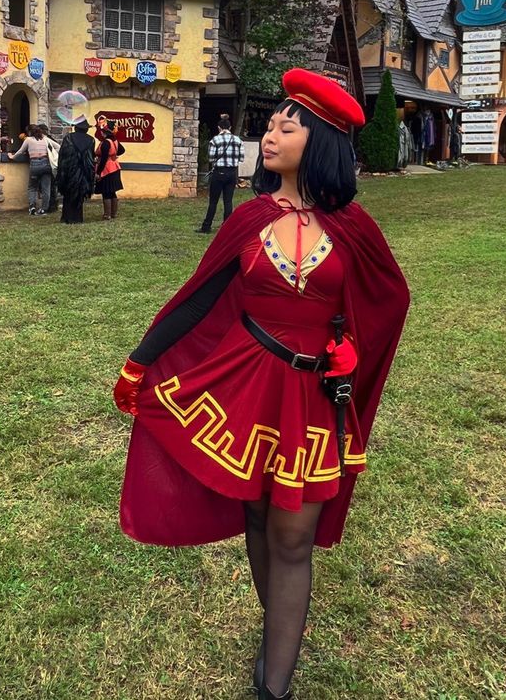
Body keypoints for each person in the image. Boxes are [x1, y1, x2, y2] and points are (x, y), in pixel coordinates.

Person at [113, 69, 410, 699]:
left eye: (286, 125)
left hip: (310, 396)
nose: (269, 134)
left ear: (320, 140)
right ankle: (278, 627)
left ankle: (274, 685)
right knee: (257, 512)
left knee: (293, 532)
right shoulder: (248, 219)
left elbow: (390, 298)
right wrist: (140, 362)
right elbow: (197, 298)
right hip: (244, 383)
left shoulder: (354, 226)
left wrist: (351, 347)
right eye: (270, 124)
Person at [196, 115, 245, 233]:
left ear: (219, 128)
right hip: (232, 173)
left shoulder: (215, 140)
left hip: (218, 173)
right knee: (228, 201)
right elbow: (241, 158)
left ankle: (206, 226)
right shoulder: (238, 140)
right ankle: (227, 228)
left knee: (213, 201)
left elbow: (211, 158)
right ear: (230, 127)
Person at [8, 124, 60, 215]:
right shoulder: (45, 139)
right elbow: (58, 147)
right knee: (46, 188)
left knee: (32, 187)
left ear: (29, 132)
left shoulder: (28, 140)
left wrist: (12, 156)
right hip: (46, 164)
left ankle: (32, 207)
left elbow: (21, 151)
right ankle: (44, 209)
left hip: (35, 165)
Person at [56, 119, 96, 223]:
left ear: (76, 127)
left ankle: (67, 217)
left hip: (69, 170)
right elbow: (91, 157)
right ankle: (77, 218)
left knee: (68, 194)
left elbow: (63, 155)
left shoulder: (68, 138)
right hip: (83, 171)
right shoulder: (91, 140)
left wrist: (61, 171)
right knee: (79, 195)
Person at [95, 122, 125, 220]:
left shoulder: (106, 143)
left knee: (106, 191)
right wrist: (113, 155)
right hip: (115, 167)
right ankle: (113, 214)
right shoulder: (115, 141)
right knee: (112, 191)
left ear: (105, 133)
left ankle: (107, 214)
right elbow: (122, 150)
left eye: (102, 132)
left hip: (107, 169)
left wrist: (98, 172)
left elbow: (103, 159)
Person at [37, 123, 60, 212]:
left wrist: (50, 153)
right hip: (51, 165)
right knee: (51, 187)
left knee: (48, 187)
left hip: (48, 164)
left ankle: (51, 206)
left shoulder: (46, 139)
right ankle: (52, 205)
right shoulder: (49, 139)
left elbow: (57, 148)